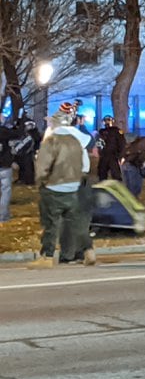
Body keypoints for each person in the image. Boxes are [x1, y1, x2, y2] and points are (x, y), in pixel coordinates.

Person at [29, 103, 96, 268]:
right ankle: (86, 250)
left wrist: (41, 181)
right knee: (77, 220)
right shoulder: (77, 138)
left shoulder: (52, 140)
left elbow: (43, 165)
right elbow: (86, 152)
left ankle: (49, 256)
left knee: (51, 221)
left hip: (56, 184)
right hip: (78, 182)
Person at [97, 116, 126, 182]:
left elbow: (122, 144)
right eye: (106, 121)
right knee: (102, 175)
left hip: (112, 156)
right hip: (106, 156)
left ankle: (116, 189)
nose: (107, 122)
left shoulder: (116, 131)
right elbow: (99, 144)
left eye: (108, 120)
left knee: (115, 176)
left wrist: (121, 155)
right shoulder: (102, 132)